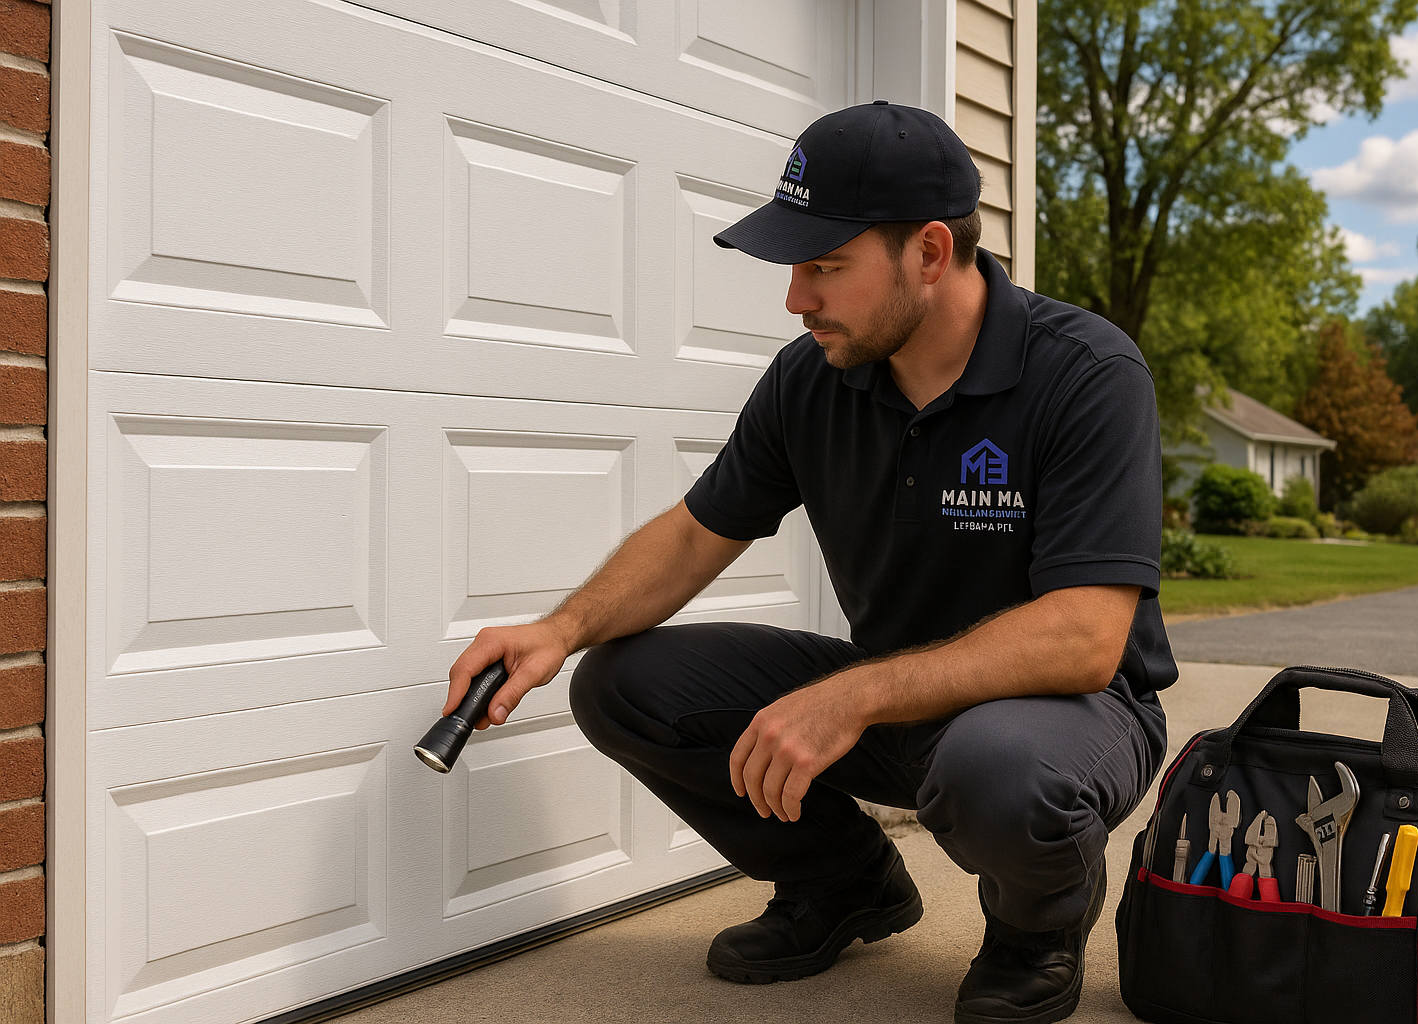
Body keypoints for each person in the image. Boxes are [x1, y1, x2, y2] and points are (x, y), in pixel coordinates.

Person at [444, 100, 1176, 1024]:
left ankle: (1037, 931)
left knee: (998, 767)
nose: (797, 299)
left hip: (1074, 716)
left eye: (825, 266)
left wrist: (851, 697)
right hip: (899, 703)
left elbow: (1085, 638)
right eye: (795, 267)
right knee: (622, 683)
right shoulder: (812, 379)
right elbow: (694, 534)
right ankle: (843, 882)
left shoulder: (1086, 373)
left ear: (930, 252)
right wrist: (559, 629)